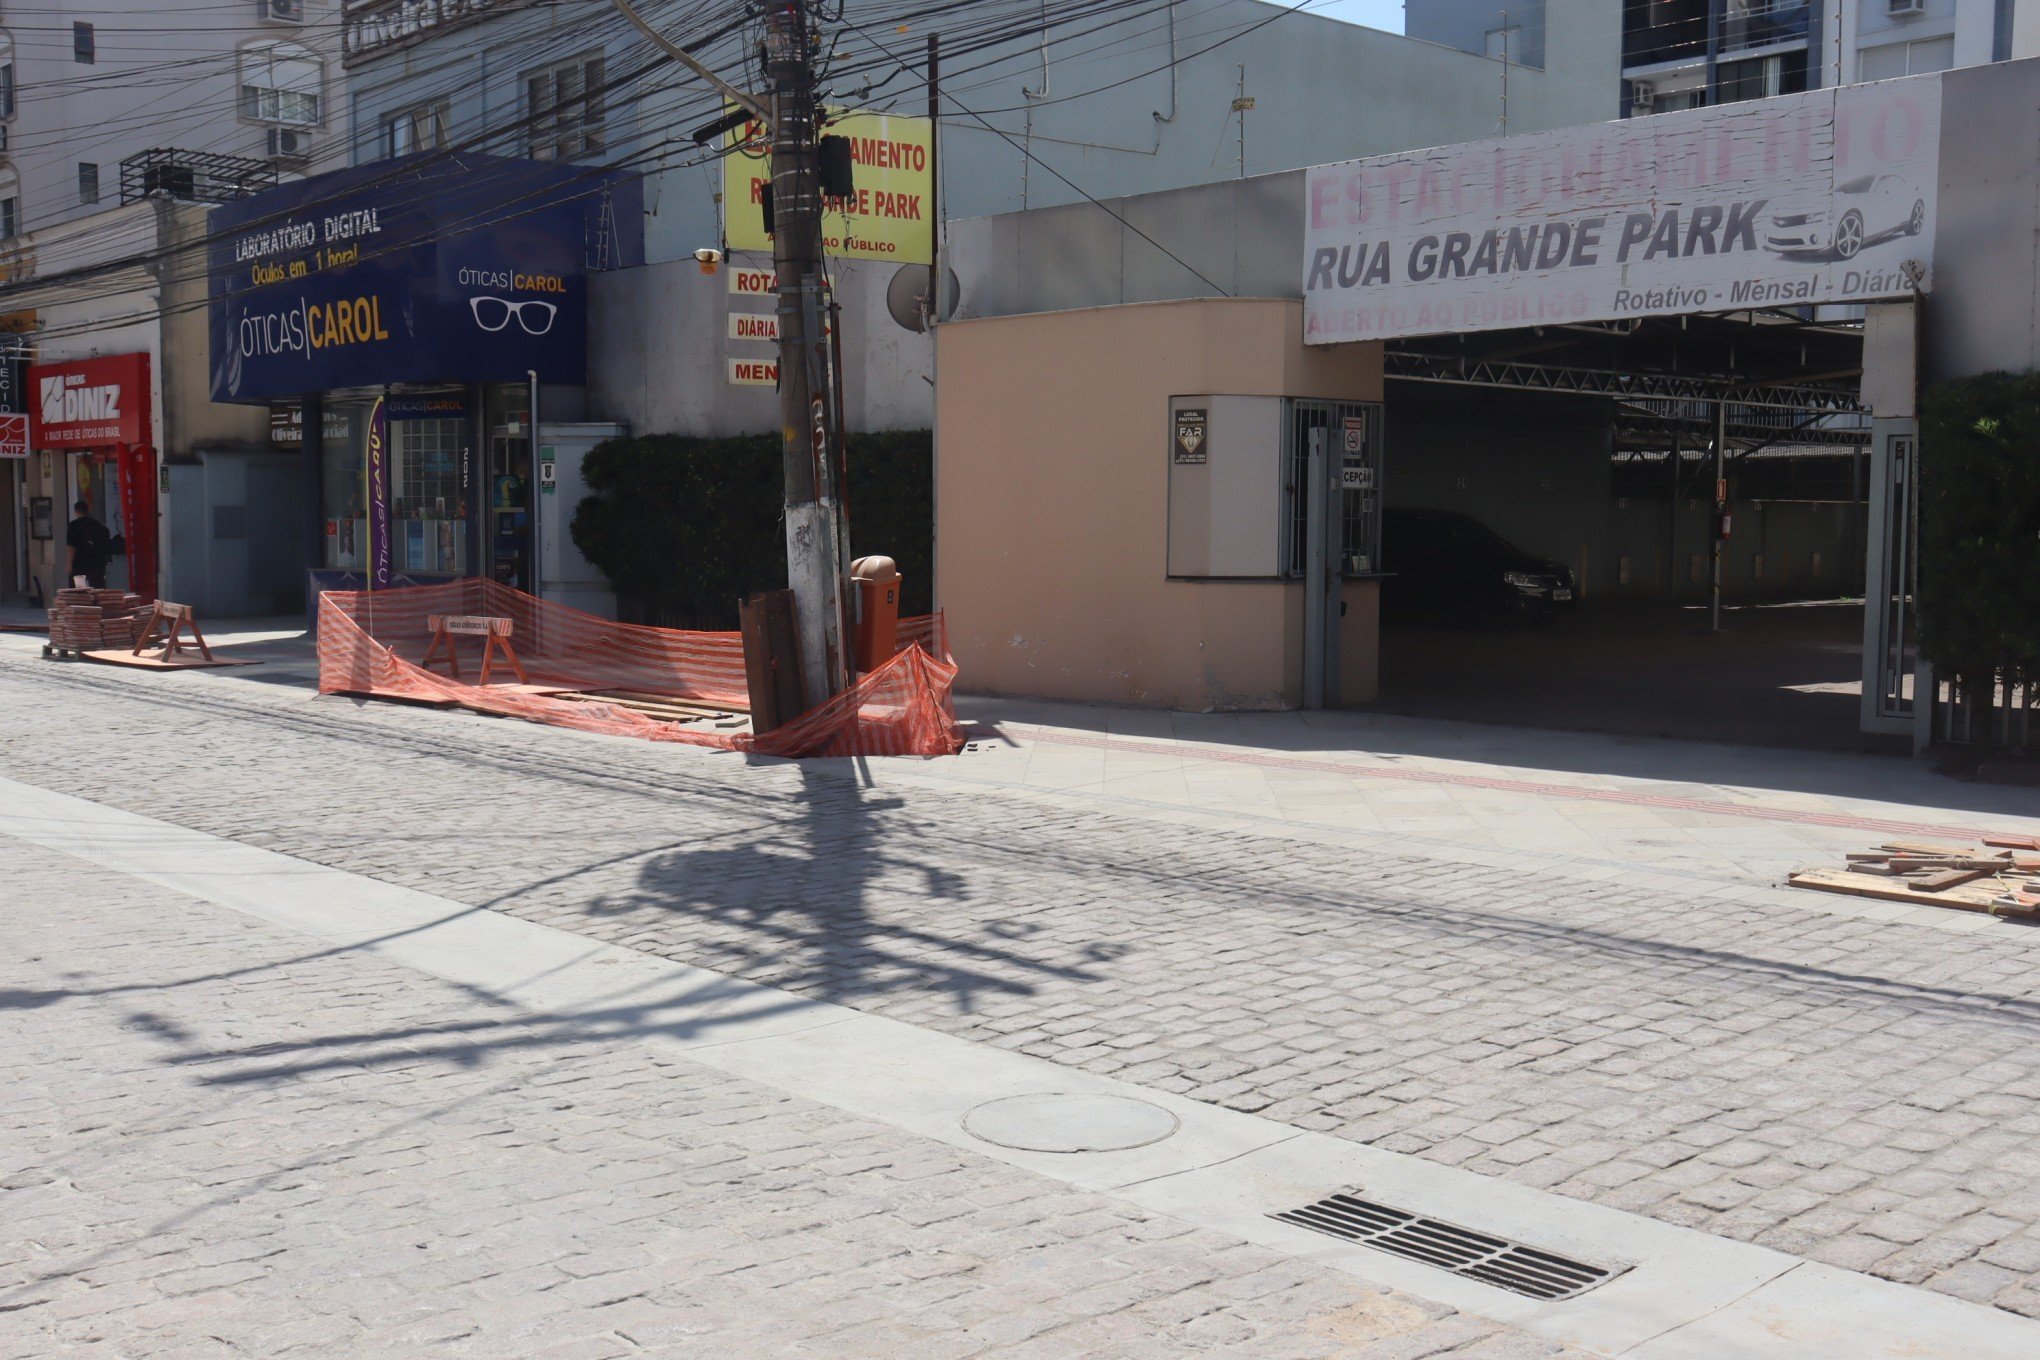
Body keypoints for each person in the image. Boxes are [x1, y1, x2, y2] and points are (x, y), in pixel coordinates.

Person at [66, 500, 112, 588]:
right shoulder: (99, 526)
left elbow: (71, 546)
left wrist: (69, 563)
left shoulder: (73, 525)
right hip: (97, 562)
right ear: (88, 511)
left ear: (76, 511)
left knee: (78, 590)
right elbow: (106, 545)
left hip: (79, 563)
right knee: (97, 588)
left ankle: (79, 601)